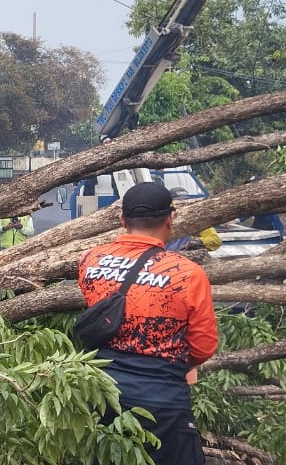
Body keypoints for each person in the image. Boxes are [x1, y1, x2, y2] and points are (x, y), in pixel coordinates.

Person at [76, 182, 218, 465]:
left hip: (101, 391)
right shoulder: (187, 274)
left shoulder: (91, 260)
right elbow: (204, 345)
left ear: (122, 220)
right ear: (170, 220)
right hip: (162, 401)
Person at [166, 188, 221, 252]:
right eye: (179, 201)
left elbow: (215, 240)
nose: (183, 204)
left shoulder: (197, 219)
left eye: (185, 200)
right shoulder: (163, 219)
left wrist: (195, 242)